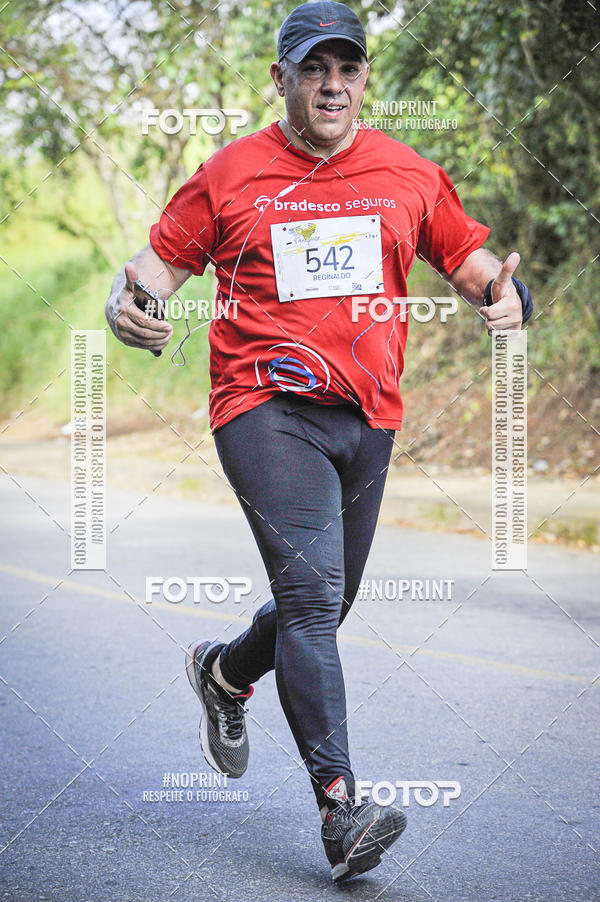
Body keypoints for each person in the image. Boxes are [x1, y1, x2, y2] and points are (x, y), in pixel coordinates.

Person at [105, 0, 532, 882]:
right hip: (263, 405)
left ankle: (224, 674)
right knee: (309, 602)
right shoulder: (229, 174)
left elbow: (477, 269)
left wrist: (509, 302)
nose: (331, 85)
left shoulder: (408, 172)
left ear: (364, 78)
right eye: (312, 69)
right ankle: (343, 812)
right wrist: (131, 305)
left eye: (346, 68)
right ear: (282, 79)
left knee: (323, 608)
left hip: (367, 416)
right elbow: (153, 273)